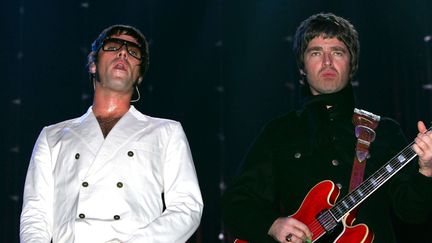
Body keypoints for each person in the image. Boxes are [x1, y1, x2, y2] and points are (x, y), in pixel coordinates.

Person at [221, 13, 432, 243]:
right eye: (316, 52)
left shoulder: (384, 131)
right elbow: (236, 203)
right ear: (302, 66)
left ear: (352, 64)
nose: (328, 62)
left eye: (337, 52)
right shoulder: (279, 132)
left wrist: (427, 170)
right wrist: (272, 225)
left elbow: (412, 213)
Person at [20, 24, 203, 242]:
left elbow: (187, 207)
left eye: (134, 52)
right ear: (93, 65)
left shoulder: (166, 132)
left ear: (139, 77)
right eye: (113, 45)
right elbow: (35, 215)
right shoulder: (53, 136)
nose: (123, 52)